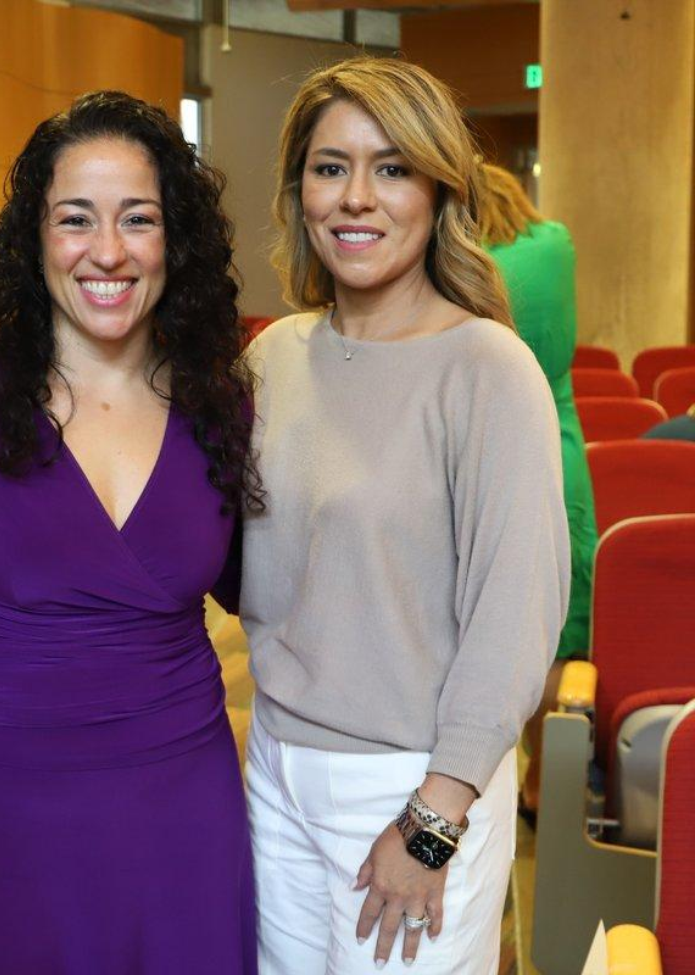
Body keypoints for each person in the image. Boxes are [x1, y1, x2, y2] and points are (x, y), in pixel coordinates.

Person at [0, 91, 262, 975]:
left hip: (180, 817)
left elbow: (269, 592)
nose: (106, 252)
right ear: (33, 238)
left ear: (174, 241)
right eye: (75, 219)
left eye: (137, 220)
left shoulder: (220, 403)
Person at [239, 57, 570, 974]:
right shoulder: (275, 359)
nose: (356, 198)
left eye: (390, 168)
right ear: (298, 189)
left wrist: (433, 819)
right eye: (328, 166)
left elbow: (514, 618)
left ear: (438, 190)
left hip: (415, 781)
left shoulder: (486, 369)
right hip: (275, 764)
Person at [476, 162, 599, 820]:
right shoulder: (553, 244)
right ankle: (540, 785)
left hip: (483, 440)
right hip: (558, 440)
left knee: (485, 610)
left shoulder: (458, 261)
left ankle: (482, 772)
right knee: (563, 619)